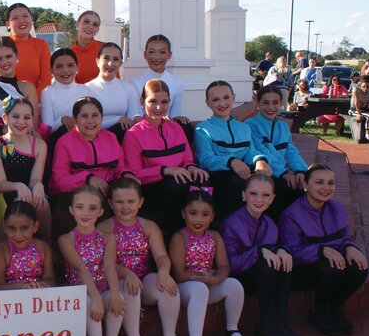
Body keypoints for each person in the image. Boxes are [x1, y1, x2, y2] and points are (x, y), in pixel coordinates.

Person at [98, 179, 186, 336]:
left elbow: (161, 256)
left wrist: (163, 271)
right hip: (117, 281)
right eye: (119, 202)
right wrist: (127, 273)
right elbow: (103, 263)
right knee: (131, 288)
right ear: (110, 203)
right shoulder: (105, 228)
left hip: (143, 277)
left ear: (141, 202)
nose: (125, 207)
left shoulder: (148, 226)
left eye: (131, 201)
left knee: (169, 287)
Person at [279, 164, 369, 336]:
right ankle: (319, 313)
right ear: (305, 185)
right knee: (331, 268)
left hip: (331, 264)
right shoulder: (291, 214)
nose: (326, 188)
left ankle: (334, 307)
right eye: (319, 182)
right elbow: (292, 250)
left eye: (331, 183)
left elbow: (344, 237)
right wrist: (322, 250)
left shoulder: (337, 209)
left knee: (359, 267)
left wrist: (350, 247)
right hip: (303, 269)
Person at [220, 175, 304, 336]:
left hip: (261, 274)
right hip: (238, 276)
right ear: (244, 195)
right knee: (268, 266)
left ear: (272, 198)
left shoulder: (268, 223)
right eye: (253, 193)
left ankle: (280, 321)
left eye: (266, 195)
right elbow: (231, 264)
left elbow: (273, 246)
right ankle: (265, 325)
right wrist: (258, 252)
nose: (259, 199)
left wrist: (281, 250)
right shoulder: (231, 223)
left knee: (284, 262)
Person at [169, 189, 248, 336]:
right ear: (183, 214)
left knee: (234, 285)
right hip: (185, 290)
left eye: (205, 214)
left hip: (206, 285)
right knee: (199, 289)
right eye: (193, 213)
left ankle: (232, 329)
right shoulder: (179, 238)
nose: (199, 219)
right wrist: (205, 277)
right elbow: (179, 274)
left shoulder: (215, 236)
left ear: (212, 216)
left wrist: (216, 278)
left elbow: (224, 266)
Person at [58, 185, 121, 336]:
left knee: (119, 297)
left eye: (92, 208)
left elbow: (110, 266)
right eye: (80, 207)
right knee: (87, 302)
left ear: (100, 212)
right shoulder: (66, 239)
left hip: (101, 286)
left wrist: (114, 294)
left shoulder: (108, 238)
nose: (85, 213)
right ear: (71, 210)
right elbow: (82, 270)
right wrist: (95, 298)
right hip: (80, 291)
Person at [123, 79, 208, 232]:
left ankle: (201, 234)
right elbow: (134, 174)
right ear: (142, 101)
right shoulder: (133, 134)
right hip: (151, 188)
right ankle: (173, 235)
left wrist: (192, 168)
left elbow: (187, 159)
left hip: (177, 179)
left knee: (204, 180)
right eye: (153, 101)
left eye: (164, 102)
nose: (158, 107)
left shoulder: (175, 128)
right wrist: (165, 170)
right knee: (177, 186)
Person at [194, 81, 270, 220]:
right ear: (208, 103)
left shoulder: (244, 128)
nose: (222, 103)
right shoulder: (202, 129)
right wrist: (231, 162)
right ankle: (230, 227)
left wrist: (260, 160)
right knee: (237, 183)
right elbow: (205, 159)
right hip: (219, 177)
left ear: (233, 98)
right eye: (215, 100)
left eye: (226, 97)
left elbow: (250, 151)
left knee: (272, 183)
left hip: (243, 173)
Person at [0, 97, 51, 240]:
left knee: (42, 203)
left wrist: (38, 185)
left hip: (28, 188)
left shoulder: (40, 145)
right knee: (16, 204)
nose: (21, 122)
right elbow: (1, 183)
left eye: (27, 117)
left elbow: (35, 179)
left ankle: (48, 246)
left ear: (33, 121)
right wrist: (19, 186)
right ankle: (0, 251)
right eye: (15, 116)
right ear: (5, 118)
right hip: (5, 191)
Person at [245, 85, 307, 216]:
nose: (271, 107)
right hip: (262, 171)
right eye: (266, 103)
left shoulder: (283, 126)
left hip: (281, 173)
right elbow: (261, 151)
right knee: (284, 188)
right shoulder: (250, 125)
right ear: (258, 103)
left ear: (281, 104)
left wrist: (300, 170)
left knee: (303, 186)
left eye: (275, 103)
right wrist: (283, 173)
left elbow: (291, 151)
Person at [50, 96, 129, 197]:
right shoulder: (64, 142)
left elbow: (120, 169)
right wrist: (88, 179)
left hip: (108, 193)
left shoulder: (111, 137)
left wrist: (126, 175)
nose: (90, 121)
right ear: (74, 119)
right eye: (84, 116)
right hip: (76, 196)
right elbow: (59, 181)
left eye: (95, 115)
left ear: (101, 118)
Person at [0, 201, 55, 289]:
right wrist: (20, 286)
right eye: (12, 228)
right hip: (10, 301)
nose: (18, 235)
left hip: (38, 299)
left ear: (35, 227)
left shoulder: (43, 248)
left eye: (24, 228)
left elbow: (51, 280)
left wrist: (38, 285)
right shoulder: (1, 251)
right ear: (4, 227)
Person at [85, 42, 140, 143]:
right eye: (106, 58)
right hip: (94, 140)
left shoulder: (128, 88)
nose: (110, 63)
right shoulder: (86, 89)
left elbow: (132, 120)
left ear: (120, 63)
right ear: (97, 61)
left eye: (115, 59)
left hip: (122, 139)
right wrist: (117, 119)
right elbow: (86, 124)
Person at [40, 48, 94, 142]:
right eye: (59, 66)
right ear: (51, 70)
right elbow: (47, 129)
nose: (65, 70)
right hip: (59, 141)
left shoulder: (86, 90)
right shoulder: (47, 92)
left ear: (77, 68)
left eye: (70, 65)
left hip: (84, 141)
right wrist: (62, 120)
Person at [132, 35, 189, 122]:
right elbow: (136, 116)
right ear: (145, 55)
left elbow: (175, 114)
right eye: (152, 52)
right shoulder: (136, 83)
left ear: (169, 55)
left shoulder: (177, 83)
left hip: (168, 127)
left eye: (162, 52)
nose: (156, 57)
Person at [6, 3, 52, 94]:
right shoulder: (2, 45)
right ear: (8, 24)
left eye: (25, 16)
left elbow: (46, 81)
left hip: (35, 102)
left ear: (31, 19)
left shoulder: (41, 45)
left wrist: (31, 100)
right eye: (15, 18)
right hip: (6, 102)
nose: (21, 21)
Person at [70, 10, 103, 84]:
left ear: (97, 30)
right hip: (79, 95)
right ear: (77, 24)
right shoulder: (69, 54)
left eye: (95, 24)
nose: (90, 27)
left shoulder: (105, 49)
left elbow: (115, 81)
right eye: (86, 22)